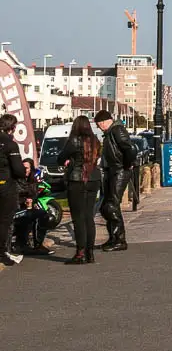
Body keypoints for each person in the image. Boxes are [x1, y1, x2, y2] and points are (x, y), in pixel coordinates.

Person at [58, 115, 103, 264]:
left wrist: (70, 161)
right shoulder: (95, 141)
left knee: (78, 217)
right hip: (94, 178)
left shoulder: (74, 140)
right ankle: (90, 253)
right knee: (88, 216)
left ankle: (80, 253)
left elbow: (60, 157)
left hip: (77, 179)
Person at [94, 110, 137, 252]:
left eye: (100, 124)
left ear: (105, 121)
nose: (99, 127)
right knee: (106, 205)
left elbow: (129, 148)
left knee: (111, 205)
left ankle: (119, 239)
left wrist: (127, 164)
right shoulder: (110, 133)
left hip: (119, 170)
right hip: (112, 170)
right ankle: (113, 237)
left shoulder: (117, 130)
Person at [0, 114, 29, 266]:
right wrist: (24, 172)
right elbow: (18, 169)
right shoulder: (10, 144)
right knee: (4, 220)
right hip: (5, 185)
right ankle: (2, 252)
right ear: (12, 127)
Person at [13, 158, 52, 256]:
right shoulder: (16, 180)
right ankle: (22, 244)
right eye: (22, 168)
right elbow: (14, 196)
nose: (24, 170)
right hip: (16, 210)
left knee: (43, 214)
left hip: (27, 208)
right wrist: (25, 201)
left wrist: (31, 201)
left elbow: (34, 195)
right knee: (29, 215)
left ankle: (38, 245)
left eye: (26, 168)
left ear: (31, 169)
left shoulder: (32, 180)